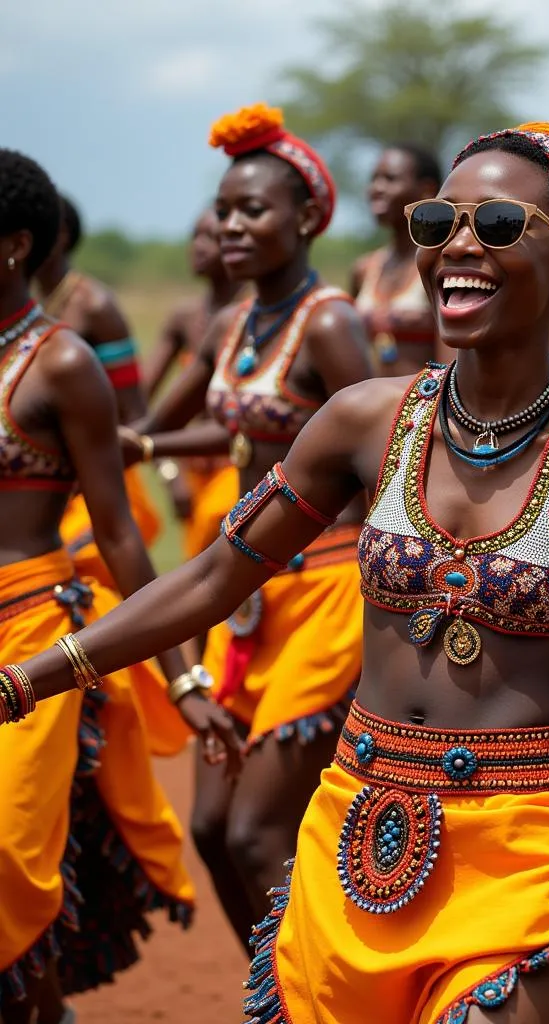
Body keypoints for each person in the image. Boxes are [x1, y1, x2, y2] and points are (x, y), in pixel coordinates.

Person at [5, 120, 549, 1024]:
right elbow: (213, 578)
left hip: (524, 857)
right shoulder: (360, 423)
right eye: (436, 222)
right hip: (355, 842)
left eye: (496, 225)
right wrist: (25, 680)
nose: (457, 244)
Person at [117, 103, 373, 949]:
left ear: (304, 219)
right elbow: (197, 420)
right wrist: (141, 441)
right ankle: (277, 990)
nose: (230, 225)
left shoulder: (331, 321)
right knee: (212, 829)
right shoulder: (232, 324)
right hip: (245, 595)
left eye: (251, 210)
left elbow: (381, 450)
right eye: (223, 210)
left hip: (327, 589)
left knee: (258, 833)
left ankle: (324, 994)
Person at [0, 148, 239, 1024]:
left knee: (7, 851)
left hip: (36, 633)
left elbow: (121, 538)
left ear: (16, 245)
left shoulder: (62, 365)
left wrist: (182, 675)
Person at [34, 196, 163, 591]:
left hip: (104, 477)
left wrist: (167, 470)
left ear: (60, 236)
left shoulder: (93, 305)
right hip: (54, 482)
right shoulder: (35, 305)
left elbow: (135, 407)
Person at [142, 208, 245, 564]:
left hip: (240, 468)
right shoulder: (184, 319)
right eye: (195, 236)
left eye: (211, 238)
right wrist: (170, 474)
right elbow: (143, 406)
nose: (198, 247)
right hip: (191, 471)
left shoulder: (256, 316)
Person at [351, 143, 443, 373]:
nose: (376, 188)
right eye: (374, 179)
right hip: (371, 406)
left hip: (424, 404)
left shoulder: (440, 264)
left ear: (426, 190)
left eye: (390, 179)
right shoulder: (364, 269)